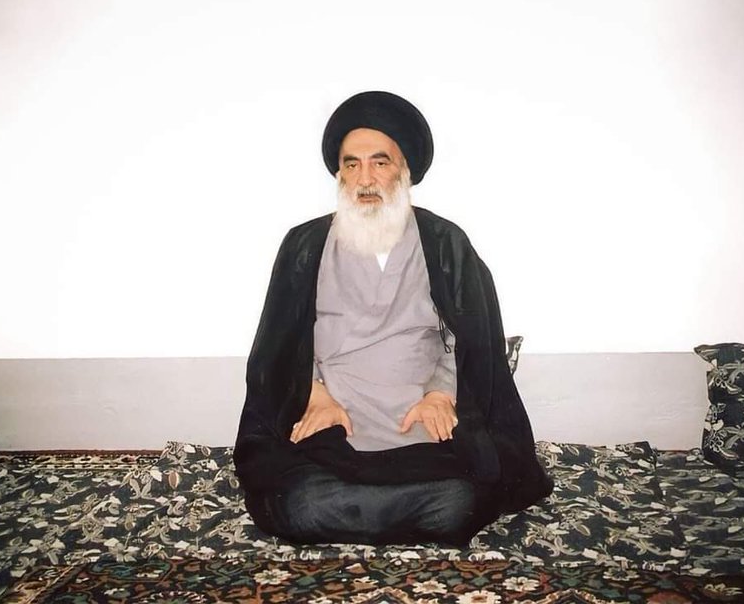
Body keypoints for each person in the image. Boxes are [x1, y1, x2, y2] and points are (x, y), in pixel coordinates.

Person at [233, 91, 552, 546]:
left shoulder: (445, 243)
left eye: (379, 163)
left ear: (405, 171)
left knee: (458, 499)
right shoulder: (304, 244)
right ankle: (385, 509)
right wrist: (313, 392)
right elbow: (278, 345)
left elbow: (470, 340)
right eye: (351, 164)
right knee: (299, 502)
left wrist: (441, 394)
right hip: (331, 418)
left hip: (417, 418)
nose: (365, 179)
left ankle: (358, 509)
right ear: (339, 174)